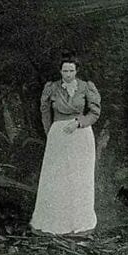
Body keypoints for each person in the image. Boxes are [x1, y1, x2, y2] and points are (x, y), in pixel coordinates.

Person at [30, 53, 101, 236]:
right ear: (60, 71)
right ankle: (56, 222)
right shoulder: (52, 88)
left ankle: (78, 221)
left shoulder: (86, 87)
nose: (68, 74)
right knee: (57, 178)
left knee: (79, 178)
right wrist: (52, 133)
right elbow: (45, 111)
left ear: (76, 71)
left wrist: (79, 122)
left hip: (81, 135)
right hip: (59, 136)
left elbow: (95, 113)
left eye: (71, 70)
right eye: (64, 70)